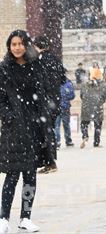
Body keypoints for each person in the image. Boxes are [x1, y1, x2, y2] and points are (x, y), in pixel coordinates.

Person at [0, 30, 56, 233]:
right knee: (12, 175)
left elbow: (42, 92)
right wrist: (9, 117)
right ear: (9, 46)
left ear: (26, 45)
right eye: (13, 44)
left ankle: (25, 217)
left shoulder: (35, 66)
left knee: (30, 175)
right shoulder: (4, 68)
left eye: (20, 43)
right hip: (14, 129)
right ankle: (3, 218)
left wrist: (44, 118)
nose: (17, 47)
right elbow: (1, 99)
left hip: (34, 127)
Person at [32, 35, 66, 174]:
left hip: (44, 101)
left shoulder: (39, 61)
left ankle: (50, 162)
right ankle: (48, 161)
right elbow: (63, 79)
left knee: (44, 132)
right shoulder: (55, 59)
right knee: (49, 130)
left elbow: (37, 82)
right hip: (54, 100)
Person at [80, 69, 106, 148]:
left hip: (86, 106)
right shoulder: (103, 85)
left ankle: (85, 135)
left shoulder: (84, 85)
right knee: (98, 125)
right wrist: (99, 102)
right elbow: (105, 97)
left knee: (84, 123)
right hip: (98, 107)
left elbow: (81, 95)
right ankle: (96, 142)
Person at [54, 76, 75, 149]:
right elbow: (72, 96)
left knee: (61, 125)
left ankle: (63, 140)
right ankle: (60, 141)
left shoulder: (67, 83)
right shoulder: (67, 83)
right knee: (59, 125)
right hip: (60, 107)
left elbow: (72, 96)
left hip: (62, 107)